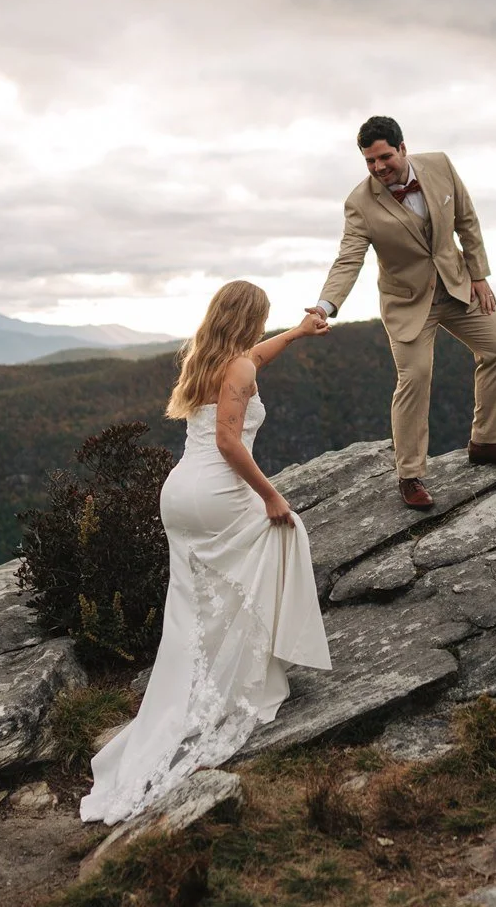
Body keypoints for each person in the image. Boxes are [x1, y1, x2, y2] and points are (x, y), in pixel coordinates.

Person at [81, 282, 332, 825]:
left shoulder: (208, 358)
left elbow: (257, 356)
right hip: (217, 490)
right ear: (248, 318)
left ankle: (195, 685)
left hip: (178, 495)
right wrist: (271, 494)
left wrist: (300, 331)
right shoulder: (237, 371)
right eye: (263, 319)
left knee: (193, 604)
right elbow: (228, 441)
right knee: (287, 535)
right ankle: (259, 671)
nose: (266, 329)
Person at [309, 115, 496, 510]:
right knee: (415, 376)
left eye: (384, 157)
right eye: (369, 161)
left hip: (456, 284)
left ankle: (487, 442)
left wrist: (478, 275)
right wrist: (326, 305)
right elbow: (349, 259)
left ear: (402, 148)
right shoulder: (359, 203)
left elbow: (467, 221)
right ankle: (410, 475)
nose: (378, 167)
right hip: (407, 302)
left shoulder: (441, 166)